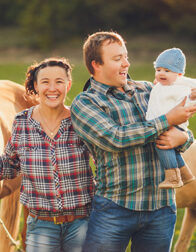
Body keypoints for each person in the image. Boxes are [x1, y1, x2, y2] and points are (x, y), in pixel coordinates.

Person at [0, 57, 95, 252]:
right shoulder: (23, 122)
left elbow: (103, 160)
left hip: (80, 223)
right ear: (36, 86)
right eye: (45, 82)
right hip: (41, 226)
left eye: (59, 82)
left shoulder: (80, 121)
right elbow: (8, 166)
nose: (52, 88)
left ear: (68, 85)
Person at [70, 31, 196, 252]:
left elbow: (180, 128)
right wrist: (166, 120)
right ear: (96, 64)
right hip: (115, 208)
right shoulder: (86, 102)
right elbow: (115, 138)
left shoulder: (148, 90)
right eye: (117, 59)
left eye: (126, 57)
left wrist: (184, 137)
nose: (126, 64)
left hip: (161, 207)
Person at [146, 48, 196, 189]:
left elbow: (187, 103)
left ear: (179, 74)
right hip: (166, 123)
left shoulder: (179, 88)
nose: (161, 73)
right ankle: (185, 174)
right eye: (159, 69)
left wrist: (192, 98)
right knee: (172, 149)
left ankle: (172, 177)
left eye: (167, 71)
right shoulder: (161, 86)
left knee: (163, 146)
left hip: (172, 124)